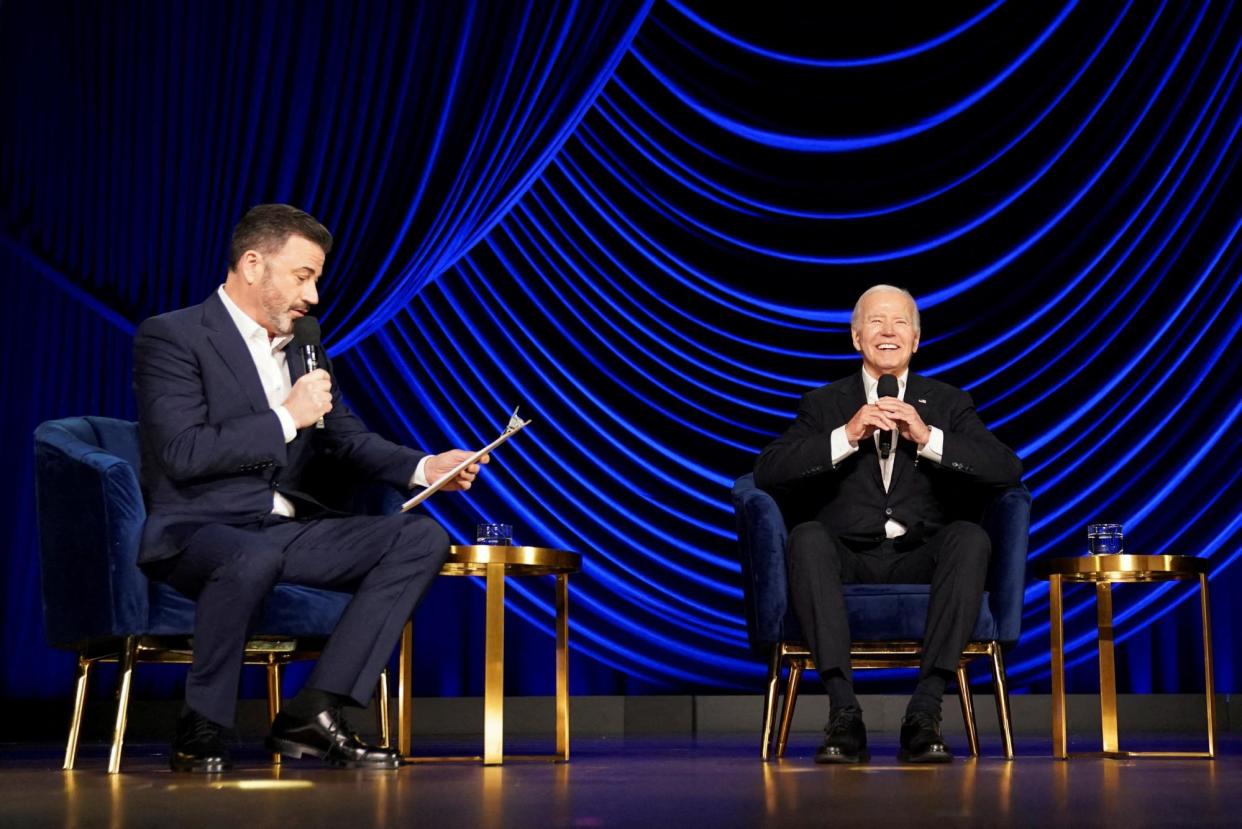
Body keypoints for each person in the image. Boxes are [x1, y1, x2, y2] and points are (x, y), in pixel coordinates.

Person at [134, 204, 488, 772]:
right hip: (200, 530)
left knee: (419, 538)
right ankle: (202, 723)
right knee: (248, 557)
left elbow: (345, 437)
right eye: (304, 276)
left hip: (282, 529)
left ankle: (314, 712)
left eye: (316, 279)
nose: (314, 296)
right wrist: (285, 418)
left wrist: (426, 467)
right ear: (253, 265)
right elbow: (183, 450)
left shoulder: (305, 343)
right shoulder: (173, 336)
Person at [753, 285, 1022, 764]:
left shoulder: (948, 402)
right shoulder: (823, 404)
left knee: (970, 537)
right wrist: (847, 434)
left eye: (900, 323)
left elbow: (1005, 468)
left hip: (922, 561)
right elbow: (769, 470)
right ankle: (843, 714)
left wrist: (927, 436)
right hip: (847, 560)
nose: (888, 332)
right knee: (807, 537)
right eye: (876, 322)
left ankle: (924, 712)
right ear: (857, 338)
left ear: (916, 340)